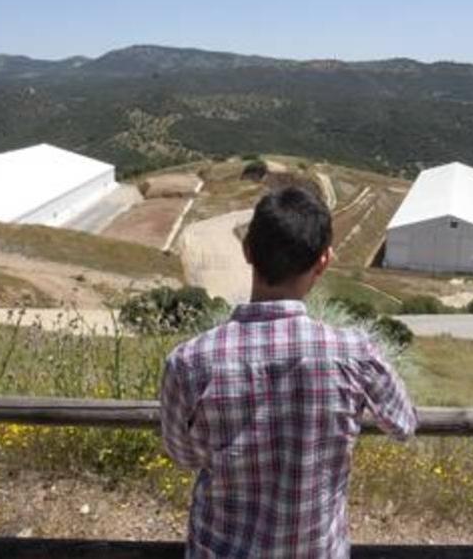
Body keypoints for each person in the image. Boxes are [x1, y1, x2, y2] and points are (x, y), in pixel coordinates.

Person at [160, 186, 417, 558]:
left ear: (247, 250)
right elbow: (403, 424)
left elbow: (183, 455)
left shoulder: (189, 361)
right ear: (323, 262)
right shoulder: (354, 353)